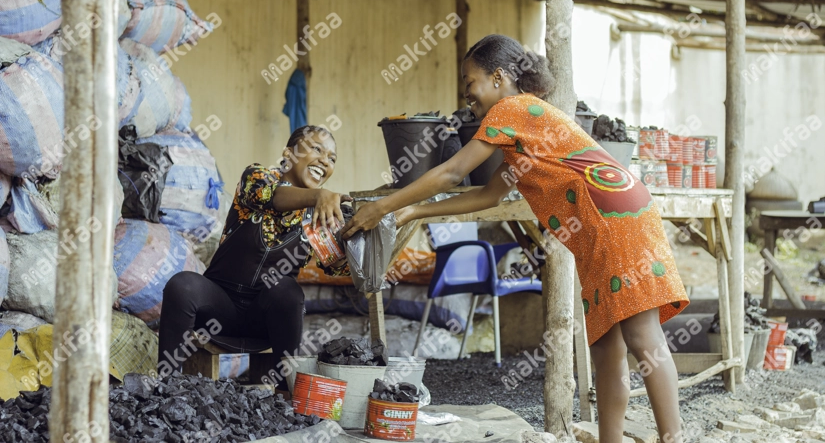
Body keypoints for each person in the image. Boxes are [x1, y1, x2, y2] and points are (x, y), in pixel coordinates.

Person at [342, 34, 688, 443]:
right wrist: (414, 210)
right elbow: (488, 195)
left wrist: (380, 207)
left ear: (499, 77)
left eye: (471, 81)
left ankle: (674, 437)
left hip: (611, 216)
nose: (467, 93)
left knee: (640, 333)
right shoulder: (522, 132)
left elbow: (453, 173)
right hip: (608, 216)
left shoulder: (513, 108)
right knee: (606, 346)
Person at [158, 125, 351, 391]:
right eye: (317, 149)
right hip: (219, 309)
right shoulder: (257, 177)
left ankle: (285, 392)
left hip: (265, 321)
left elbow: (338, 268)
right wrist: (320, 196)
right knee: (183, 285)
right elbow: (273, 196)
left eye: (332, 159)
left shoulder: (320, 218)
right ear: (289, 153)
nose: (324, 161)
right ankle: (167, 387)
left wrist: (362, 237)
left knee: (288, 290)